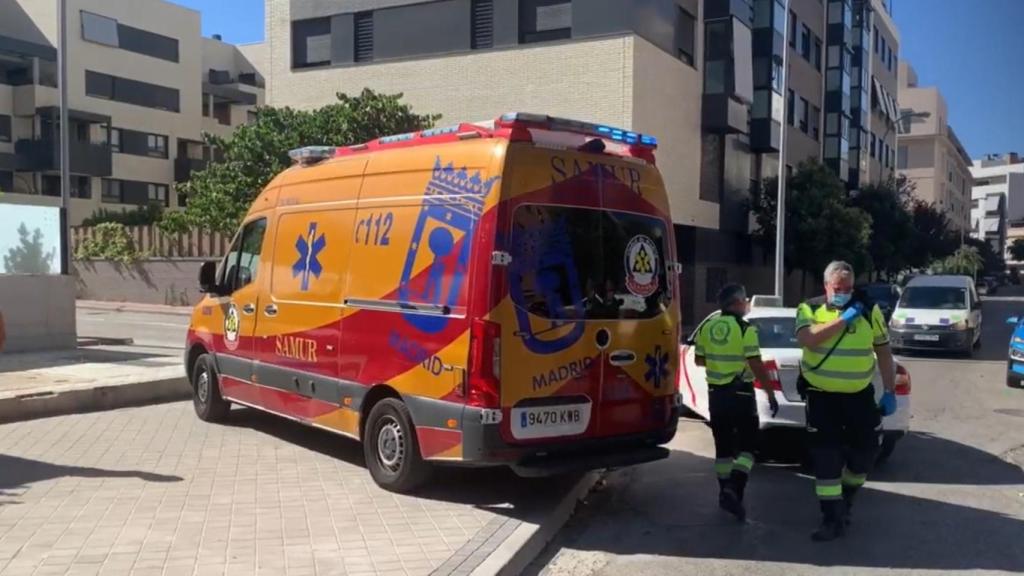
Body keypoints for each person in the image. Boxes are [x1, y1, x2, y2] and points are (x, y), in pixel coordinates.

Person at [795, 261, 897, 542]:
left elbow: (884, 352)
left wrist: (890, 391)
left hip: (858, 397)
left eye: (848, 288)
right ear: (826, 285)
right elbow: (808, 339)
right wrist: (845, 319)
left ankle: (846, 499)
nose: (843, 293)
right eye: (838, 289)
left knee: (866, 454)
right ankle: (830, 519)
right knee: (826, 459)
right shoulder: (809, 308)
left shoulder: (869, 311)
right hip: (821, 397)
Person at [695, 283, 779, 521]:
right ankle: (735, 488)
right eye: (745, 300)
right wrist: (770, 393)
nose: (747, 304)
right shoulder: (745, 329)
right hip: (741, 393)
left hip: (716, 394)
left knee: (722, 447)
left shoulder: (707, 327)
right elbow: (756, 363)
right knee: (748, 446)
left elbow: (700, 360)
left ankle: (724, 494)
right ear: (737, 303)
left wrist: (719, 361)